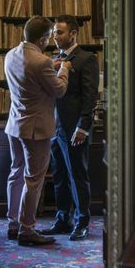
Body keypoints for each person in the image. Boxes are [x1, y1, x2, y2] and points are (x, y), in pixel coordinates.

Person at [4, 15, 72, 246]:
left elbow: (28, 74)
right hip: (36, 129)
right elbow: (59, 90)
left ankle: (13, 223)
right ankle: (27, 229)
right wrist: (63, 69)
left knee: (15, 173)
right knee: (34, 180)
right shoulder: (42, 62)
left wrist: (50, 65)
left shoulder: (11, 55)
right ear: (43, 38)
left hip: (15, 124)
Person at [41, 15, 99, 241]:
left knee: (77, 175)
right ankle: (62, 219)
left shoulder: (86, 59)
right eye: (54, 32)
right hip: (55, 129)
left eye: (60, 32)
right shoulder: (54, 59)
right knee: (60, 175)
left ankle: (82, 221)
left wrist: (83, 127)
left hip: (75, 129)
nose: (55, 36)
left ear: (73, 33)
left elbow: (90, 96)